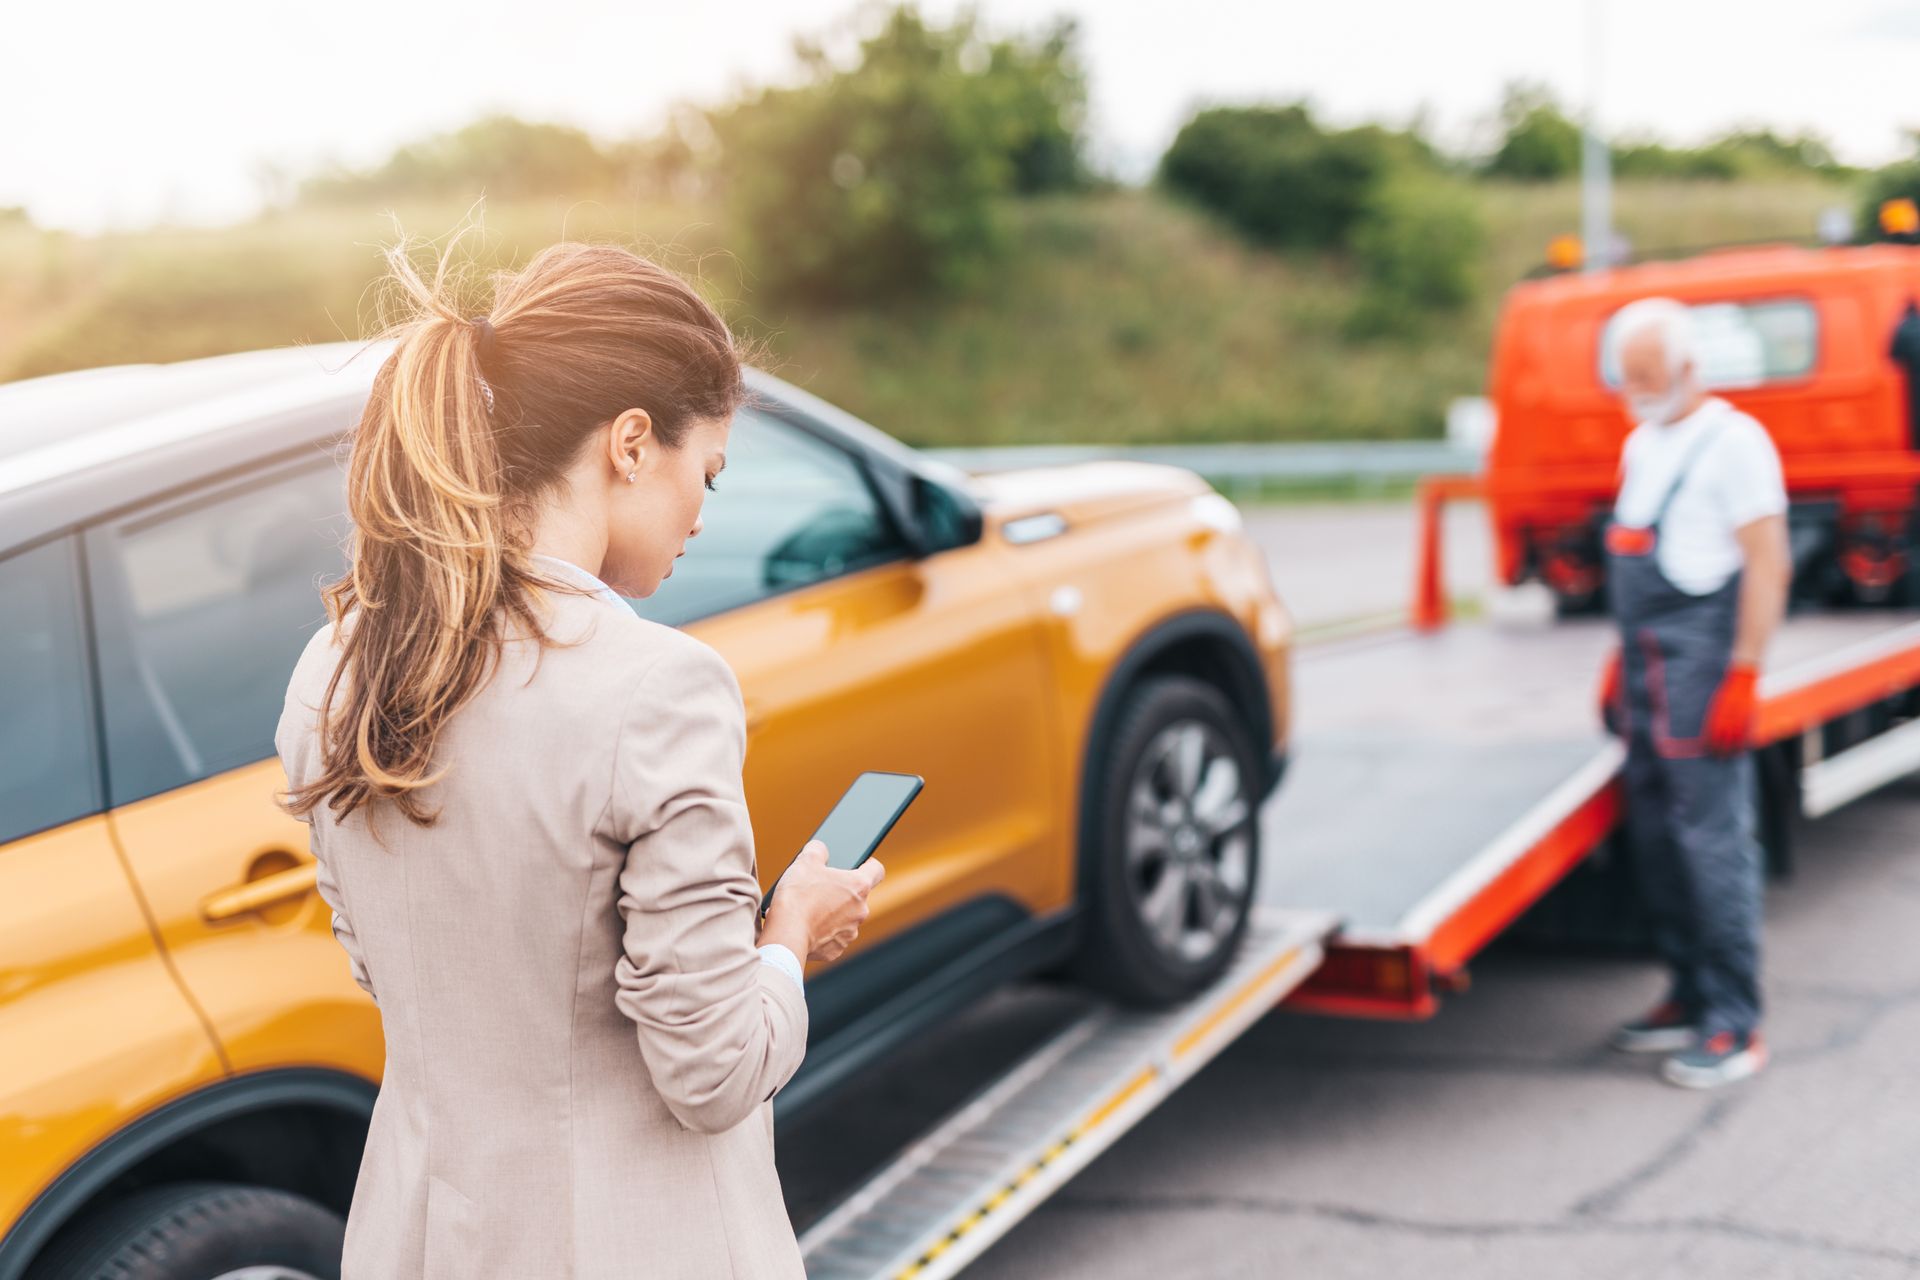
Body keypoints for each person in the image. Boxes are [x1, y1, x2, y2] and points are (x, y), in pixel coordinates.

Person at [274, 232, 884, 1278]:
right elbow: (717, 1070)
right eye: (711, 472)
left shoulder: (332, 669)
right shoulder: (660, 687)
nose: (702, 511)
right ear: (632, 442)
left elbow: (409, 961)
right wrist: (784, 937)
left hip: (417, 1240)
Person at [1595, 295, 1792, 1089]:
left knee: (1710, 845)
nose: (1640, 388)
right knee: (1655, 837)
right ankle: (1685, 990)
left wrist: (1745, 668)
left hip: (1702, 665)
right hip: (1645, 666)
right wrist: (1618, 657)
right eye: (1629, 377)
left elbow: (1767, 560)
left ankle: (1733, 1022)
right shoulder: (1643, 444)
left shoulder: (1736, 443)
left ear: (1687, 367)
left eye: (1651, 374)